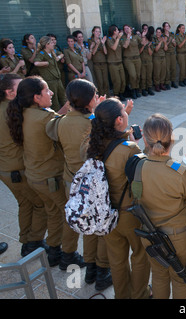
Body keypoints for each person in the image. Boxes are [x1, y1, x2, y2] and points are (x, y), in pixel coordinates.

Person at [6, 76, 84, 268]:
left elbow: (55, 120)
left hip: (35, 177)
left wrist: (66, 108)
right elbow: (65, 128)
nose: (50, 93)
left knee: (53, 213)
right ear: (36, 97)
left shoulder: (23, 112)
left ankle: (54, 251)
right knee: (69, 216)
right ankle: (68, 255)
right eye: (47, 91)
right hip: (50, 178)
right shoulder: (45, 118)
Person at [45, 79, 113, 290]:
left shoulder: (61, 121)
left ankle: (88, 266)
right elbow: (111, 139)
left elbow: (50, 130)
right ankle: (100, 271)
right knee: (101, 227)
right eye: (95, 95)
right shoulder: (92, 123)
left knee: (85, 225)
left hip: (71, 181)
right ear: (88, 100)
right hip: (94, 184)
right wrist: (103, 112)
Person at [85, 98, 151, 299]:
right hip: (128, 213)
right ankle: (139, 295)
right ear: (119, 121)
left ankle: (121, 295)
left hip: (104, 212)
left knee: (116, 258)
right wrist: (143, 148)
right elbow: (142, 178)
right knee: (140, 255)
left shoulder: (91, 144)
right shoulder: (129, 149)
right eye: (124, 111)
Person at [136, 114, 186, 299]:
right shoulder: (178, 170)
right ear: (171, 139)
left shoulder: (139, 166)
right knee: (181, 278)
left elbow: (136, 195)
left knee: (158, 275)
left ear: (145, 139)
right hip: (177, 237)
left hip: (150, 235)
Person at [0, 74, 47, 257]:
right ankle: (33, 242)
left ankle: (26, 240)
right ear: (9, 92)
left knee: (26, 203)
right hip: (17, 169)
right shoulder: (12, 112)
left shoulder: (7, 108)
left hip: (7, 168)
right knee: (40, 204)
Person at [33, 36, 66, 111]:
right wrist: (45, 63)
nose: (53, 44)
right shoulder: (42, 54)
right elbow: (36, 63)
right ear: (47, 44)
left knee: (63, 98)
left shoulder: (52, 52)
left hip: (57, 79)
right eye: (51, 42)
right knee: (54, 102)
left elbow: (61, 54)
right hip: (50, 81)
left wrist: (58, 57)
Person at [122, 24, 146, 99]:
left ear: (131, 29)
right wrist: (128, 36)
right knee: (133, 75)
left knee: (138, 75)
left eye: (128, 28)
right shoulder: (123, 38)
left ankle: (136, 89)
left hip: (137, 58)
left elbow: (143, 43)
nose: (127, 30)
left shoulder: (135, 36)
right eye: (125, 29)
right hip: (128, 59)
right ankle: (133, 89)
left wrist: (143, 36)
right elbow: (125, 46)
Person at [106, 25, 126, 101]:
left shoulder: (119, 39)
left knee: (123, 80)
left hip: (120, 62)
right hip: (113, 63)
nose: (118, 32)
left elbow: (125, 46)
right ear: (114, 31)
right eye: (117, 30)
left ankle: (121, 93)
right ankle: (116, 95)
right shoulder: (109, 40)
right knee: (117, 81)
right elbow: (114, 48)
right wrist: (118, 38)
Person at [88, 26, 110, 97]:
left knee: (105, 81)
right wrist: (97, 44)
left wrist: (103, 43)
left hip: (104, 63)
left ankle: (107, 95)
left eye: (99, 32)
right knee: (100, 81)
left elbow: (106, 52)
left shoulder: (102, 40)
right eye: (96, 31)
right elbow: (93, 53)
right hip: (96, 64)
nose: (98, 33)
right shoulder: (90, 41)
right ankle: (101, 96)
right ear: (93, 32)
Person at [139, 26, 155, 96]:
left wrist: (148, 46)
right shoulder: (140, 43)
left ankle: (149, 88)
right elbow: (139, 52)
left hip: (149, 61)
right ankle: (143, 89)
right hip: (142, 62)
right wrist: (143, 45)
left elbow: (151, 53)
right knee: (143, 77)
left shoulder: (150, 43)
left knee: (149, 76)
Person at [163, 22, 178, 89]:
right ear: (164, 27)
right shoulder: (162, 36)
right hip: (167, 54)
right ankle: (167, 82)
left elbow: (175, 45)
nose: (167, 27)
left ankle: (173, 81)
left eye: (168, 26)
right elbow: (164, 46)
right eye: (166, 26)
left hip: (173, 53)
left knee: (173, 68)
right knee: (167, 69)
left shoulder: (172, 34)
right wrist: (169, 41)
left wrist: (173, 42)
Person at [153, 27, 168, 92]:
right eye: (157, 32)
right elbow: (156, 49)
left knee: (163, 72)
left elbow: (165, 49)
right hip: (157, 57)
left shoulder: (163, 38)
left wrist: (164, 43)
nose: (158, 33)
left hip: (163, 57)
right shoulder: (154, 39)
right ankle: (157, 85)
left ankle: (162, 84)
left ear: (161, 33)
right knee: (157, 72)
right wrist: (160, 42)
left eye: (159, 32)